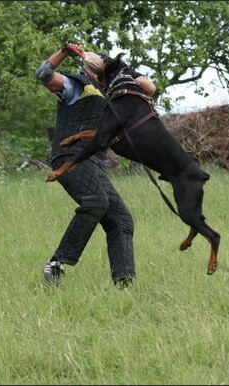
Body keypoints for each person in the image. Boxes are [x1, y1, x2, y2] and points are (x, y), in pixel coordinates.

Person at [34, 41, 155, 287]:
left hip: (93, 163)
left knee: (121, 220)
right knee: (96, 203)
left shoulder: (113, 94)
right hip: (69, 157)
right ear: (89, 67)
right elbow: (43, 75)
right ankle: (56, 264)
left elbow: (149, 87)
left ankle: (124, 283)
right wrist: (64, 53)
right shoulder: (76, 85)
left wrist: (123, 70)